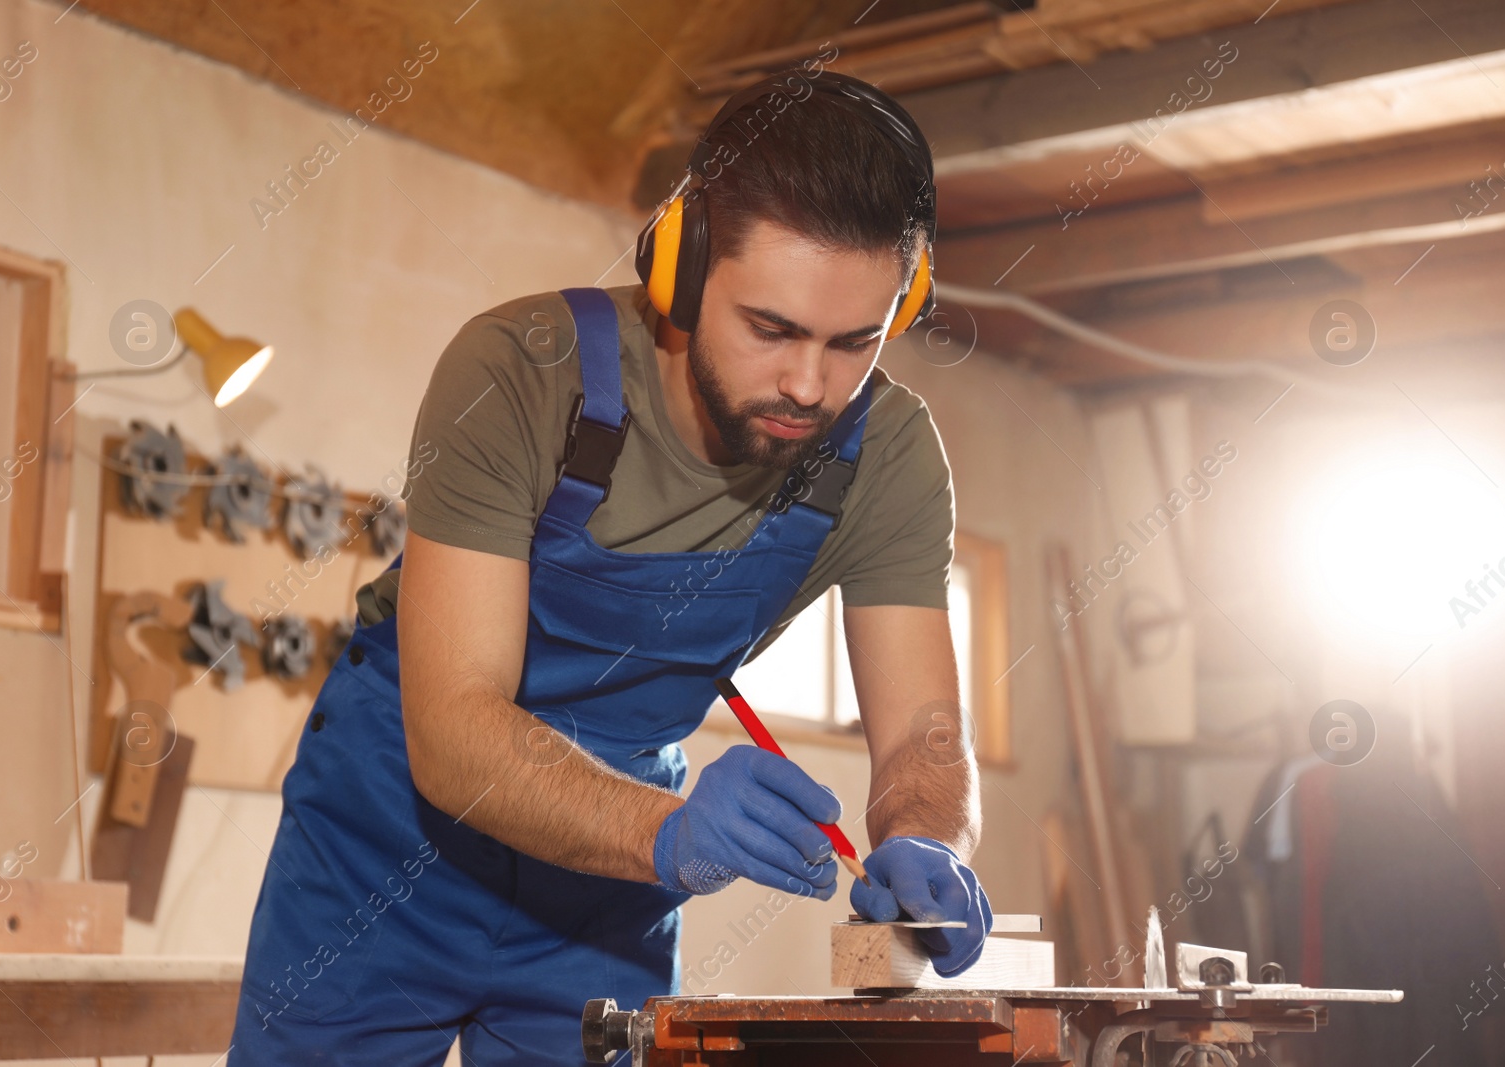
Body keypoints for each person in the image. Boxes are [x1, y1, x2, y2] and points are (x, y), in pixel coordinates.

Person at [229, 67, 991, 1065]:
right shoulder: (521, 373)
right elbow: (455, 730)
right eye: (772, 329)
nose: (810, 385)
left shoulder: (885, 455)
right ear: (680, 265)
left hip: (606, 891)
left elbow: (924, 733)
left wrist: (926, 835)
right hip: (386, 854)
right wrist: (671, 836)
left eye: (856, 341)